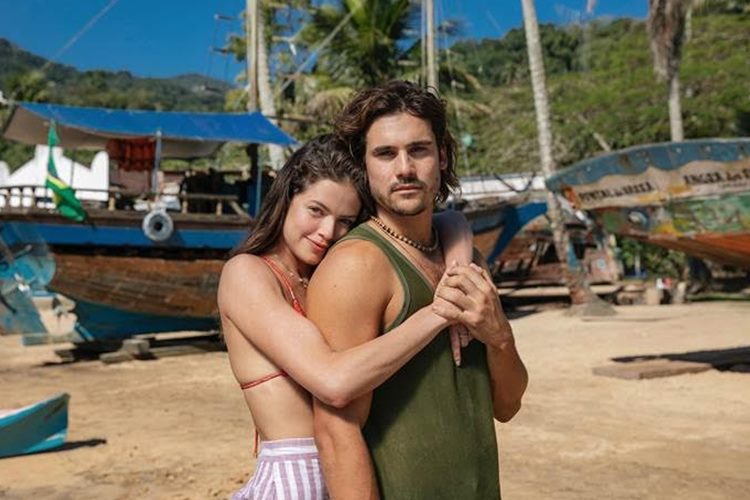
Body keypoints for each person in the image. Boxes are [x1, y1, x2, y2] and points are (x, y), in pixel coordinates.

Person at [218, 134, 474, 499]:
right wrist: (438, 312)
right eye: (316, 211)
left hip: (351, 467)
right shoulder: (247, 273)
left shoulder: (326, 275)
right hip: (295, 478)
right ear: (287, 197)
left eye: (345, 220)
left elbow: (450, 220)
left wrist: (457, 266)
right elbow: (333, 383)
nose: (327, 232)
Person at [309, 81, 529, 499]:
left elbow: (507, 405)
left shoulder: (467, 262)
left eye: (419, 150)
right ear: (364, 164)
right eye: (385, 154)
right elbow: (336, 431)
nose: (405, 168)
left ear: (441, 156)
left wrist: (499, 336)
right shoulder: (358, 265)